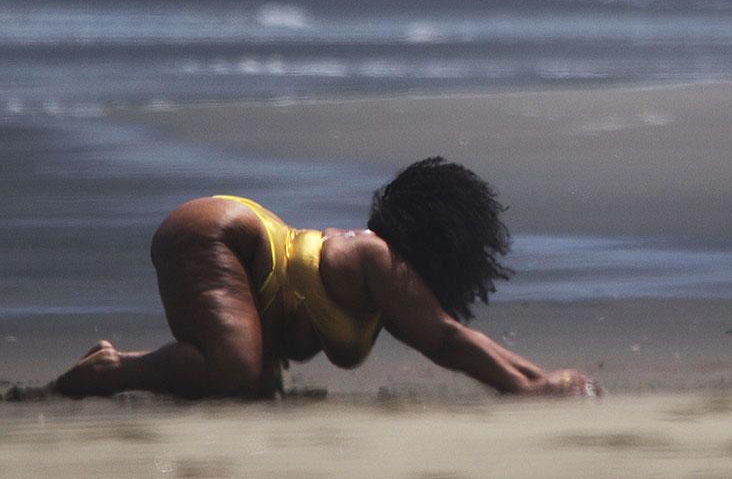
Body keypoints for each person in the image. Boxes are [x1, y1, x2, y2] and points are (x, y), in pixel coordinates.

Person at [52, 157, 597, 398]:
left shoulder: (393, 280)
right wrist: (531, 388)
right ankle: (112, 368)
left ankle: (133, 365)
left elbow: (446, 329)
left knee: (248, 388)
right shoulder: (379, 258)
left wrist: (537, 376)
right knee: (235, 371)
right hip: (216, 233)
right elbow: (446, 340)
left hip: (255, 259)